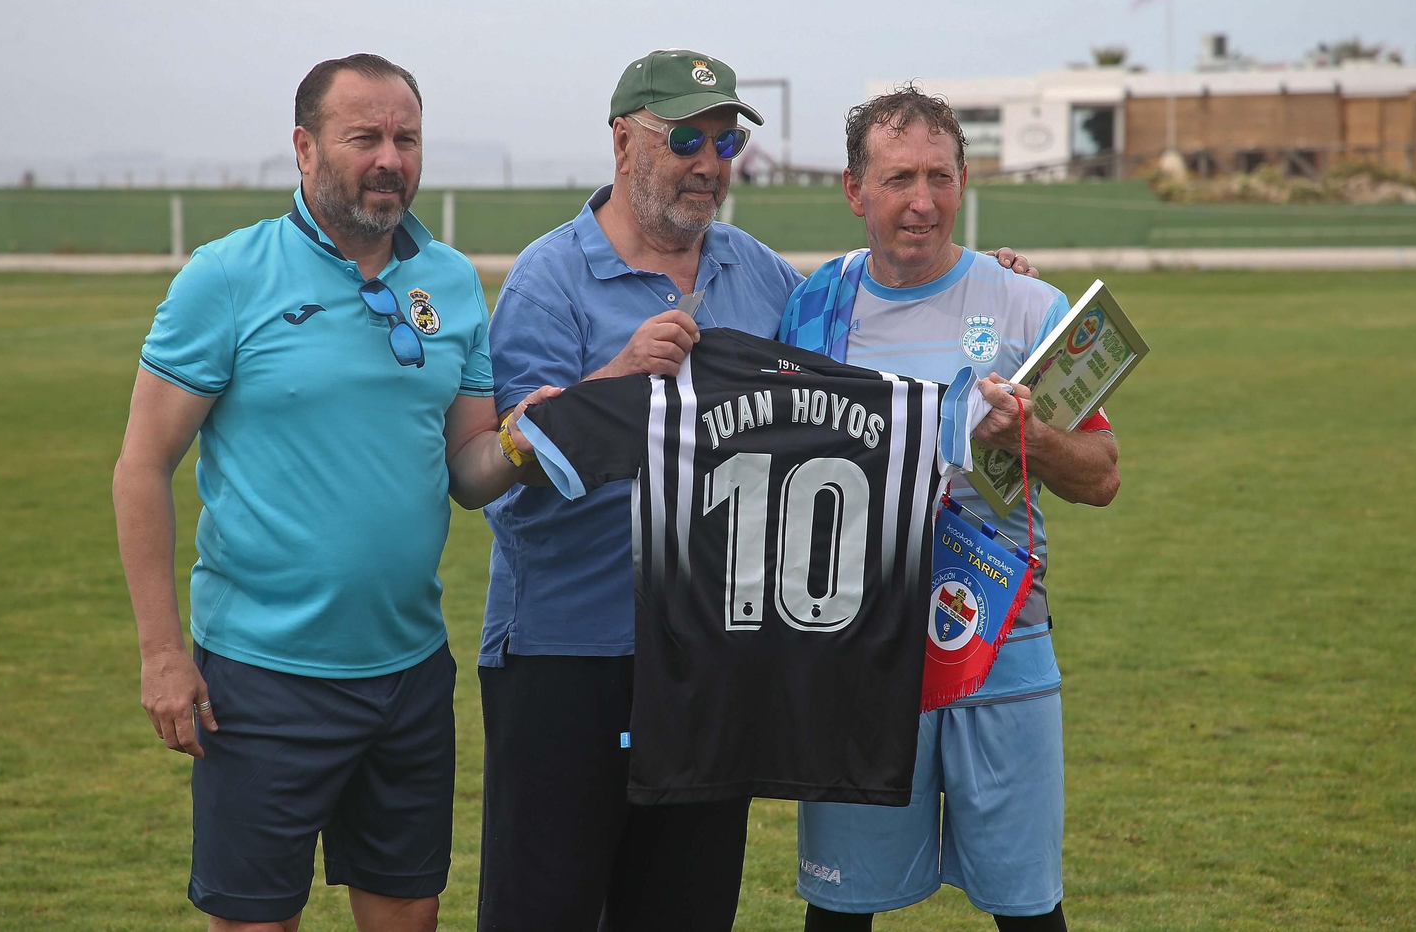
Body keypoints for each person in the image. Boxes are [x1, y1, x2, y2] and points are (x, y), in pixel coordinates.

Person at [476, 50, 1038, 932]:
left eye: (726, 142)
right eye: (685, 138)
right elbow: (505, 478)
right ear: (623, 142)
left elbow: (860, 366)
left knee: (684, 913)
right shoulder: (550, 279)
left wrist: (991, 284)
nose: (708, 162)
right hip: (568, 656)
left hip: (710, 656)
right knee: (543, 909)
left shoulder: (762, 279)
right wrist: (618, 382)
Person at [113, 53, 554, 932]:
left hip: (409, 670)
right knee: (255, 920)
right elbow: (141, 467)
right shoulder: (228, 276)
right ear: (304, 147)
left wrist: (522, 441)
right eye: (365, 137)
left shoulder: (453, 284)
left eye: (406, 137)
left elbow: (468, 473)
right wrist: (163, 652)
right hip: (261, 678)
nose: (390, 157)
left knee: (408, 913)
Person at [780, 87, 1121, 932]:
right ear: (856, 191)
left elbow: (1103, 476)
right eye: (898, 179)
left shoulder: (1028, 308)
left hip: (1001, 648)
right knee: (840, 911)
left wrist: (1027, 435)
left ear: (965, 179)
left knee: (1029, 912)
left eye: (940, 176)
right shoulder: (812, 309)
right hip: (859, 658)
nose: (921, 202)